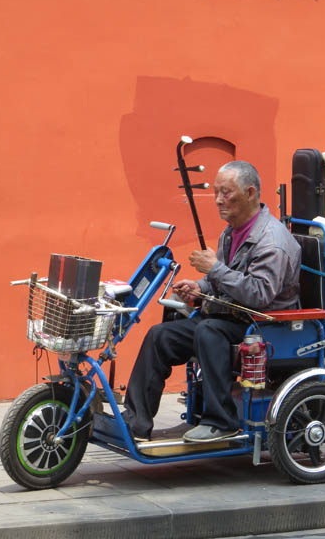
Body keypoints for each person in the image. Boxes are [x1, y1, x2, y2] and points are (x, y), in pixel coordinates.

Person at [123, 161, 301, 443]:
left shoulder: (272, 241)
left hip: (264, 326)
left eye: (226, 192)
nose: (218, 200)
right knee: (161, 336)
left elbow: (260, 294)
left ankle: (222, 421)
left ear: (250, 192)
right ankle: (135, 421)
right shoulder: (232, 231)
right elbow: (222, 281)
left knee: (209, 330)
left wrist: (214, 269)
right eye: (216, 192)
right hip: (230, 318)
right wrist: (199, 286)